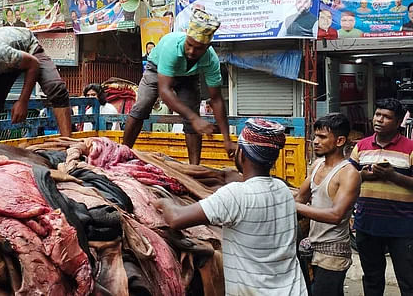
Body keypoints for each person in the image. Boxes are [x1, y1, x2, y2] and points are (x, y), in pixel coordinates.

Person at [154, 118, 308, 295]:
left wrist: (163, 200)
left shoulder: (235, 195)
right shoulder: (283, 190)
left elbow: (176, 219)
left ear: (241, 153)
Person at [123, 9, 236, 165]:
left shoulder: (211, 60)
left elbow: (216, 100)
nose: (191, 51)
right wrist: (194, 118)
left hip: (189, 77)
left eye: (198, 49)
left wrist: (227, 139)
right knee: (142, 106)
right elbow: (164, 91)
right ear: (186, 37)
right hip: (157, 69)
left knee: (192, 120)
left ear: (207, 46)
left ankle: (194, 168)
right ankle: (123, 152)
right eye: (189, 45)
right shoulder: (171, 47)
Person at [0, 27, 71, 142]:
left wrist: (23, 101)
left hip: (28, 48)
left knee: (56, 88)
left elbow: (33, 64)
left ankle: (70, 146)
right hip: (3, 63)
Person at [349, 98, 413, 296]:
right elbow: (347, 180)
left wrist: (393, 176)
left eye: (386, 117)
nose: (379, 120)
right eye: (378, 115)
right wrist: (362, 176)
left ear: (398, 122)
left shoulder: (410, 148)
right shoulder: (361, 146)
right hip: (367, 225)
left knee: (408, 281)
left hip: (402, 227)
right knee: (372, 280)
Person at [294, 113, 361, 296]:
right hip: (312, 249)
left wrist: (292, 206)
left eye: (322, 137)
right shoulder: (316, 165)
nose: (315, 141)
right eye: (315, 136)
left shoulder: (349, 173)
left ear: (339, 141)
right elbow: (300, 198)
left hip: (333, 254)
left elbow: (335, 215)